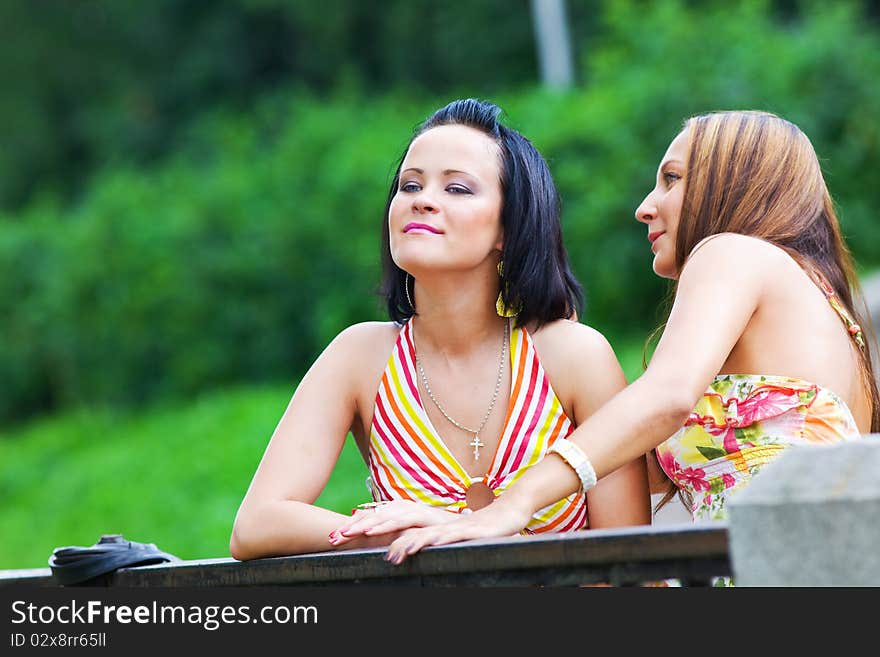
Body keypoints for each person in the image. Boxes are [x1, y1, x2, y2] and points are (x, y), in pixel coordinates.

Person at [383, 109, 879, 565]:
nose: (646, 207)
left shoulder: (732, 252)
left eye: (672, 179)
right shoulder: (832, 313)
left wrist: (511, 506)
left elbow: (668, 397)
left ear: (736, 180)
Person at [229, 98, 651, 560]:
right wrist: (393, 530)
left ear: (507, 229)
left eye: (458, 189)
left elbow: (632, 566)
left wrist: (458, 529)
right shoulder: (361, 356)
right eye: (410, 185)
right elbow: (256, 524)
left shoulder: (572, 355)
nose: (422, 200)